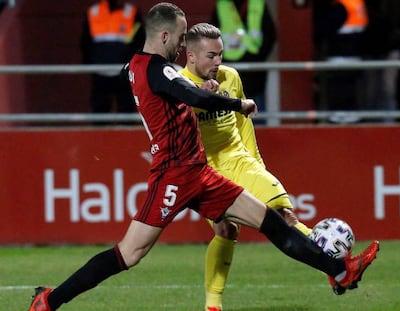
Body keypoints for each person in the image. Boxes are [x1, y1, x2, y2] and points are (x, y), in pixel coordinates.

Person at [28, 3, 379, 310]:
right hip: (174, 176)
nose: (183, 46)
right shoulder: (158, 69)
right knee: (128, 254)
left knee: (271, 221)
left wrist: (197, 91)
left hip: (201, 173)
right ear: (164, 36)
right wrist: (237, 104)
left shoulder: (135, 66)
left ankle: (339, 271)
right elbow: (192, 97)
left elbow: (177, 94)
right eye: (181, 38)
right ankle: (50, 300)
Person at [180, 22, 312, 311]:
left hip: (239, 160)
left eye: (220, 55)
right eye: (210, 56)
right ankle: (213, 304)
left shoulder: (231, 77)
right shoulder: (177, 83)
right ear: (190, 56)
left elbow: (243, 124)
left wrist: (256, 164)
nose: (218, 63)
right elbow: (175, 126)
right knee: (226, 230)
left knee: (284, 214)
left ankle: (334, 261)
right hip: (205, 169)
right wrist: (202, 97)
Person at [210, 0, 276, 124]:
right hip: (229, 72)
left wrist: (257, 58)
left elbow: (270, 35)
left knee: (257, 122)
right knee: (231, 122)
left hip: (255, 74)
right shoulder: (222, 5)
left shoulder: (258, 4)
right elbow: (212, 37)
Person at [81, 0, 145, 120]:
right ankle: (98, 138)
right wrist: (90, 64)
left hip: (124, 73)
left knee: (126, 113)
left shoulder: (132, 13)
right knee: (99, 114)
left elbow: (140, 41)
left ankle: (126, 138)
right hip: (99, 74)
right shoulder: (93, 12)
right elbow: (85, 43)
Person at [313, 0, 368, 123]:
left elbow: (323, 29)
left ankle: (340, 121)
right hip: (356, 57)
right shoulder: (357, 4)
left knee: (339, 93)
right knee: (351, 94)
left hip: (340, 57)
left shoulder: (341, 7)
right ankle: (351, 120)